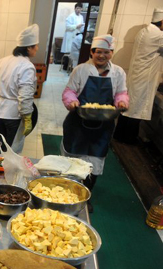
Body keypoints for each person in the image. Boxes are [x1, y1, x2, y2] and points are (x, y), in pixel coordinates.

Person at [61, 35, 129, 212]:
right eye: (99, 52)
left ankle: (85, 196)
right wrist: (72, 102)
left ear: (111, 53)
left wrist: (122, 102)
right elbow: (70, 91)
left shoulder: (118, 72)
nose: (102, 56)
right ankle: (67, 193)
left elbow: (121, 93)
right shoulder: (81, 70)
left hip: (103, 127)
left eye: (106, 52)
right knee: (73, 160)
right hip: (78, 124)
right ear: (92, 52)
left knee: (95, 162)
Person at [114, 8, 163, 144]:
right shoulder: (158, 35)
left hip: (136, 75)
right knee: (136, 110)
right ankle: (129, 139)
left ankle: (119, 135)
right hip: (144, 78)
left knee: (129, 108)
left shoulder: (144, 31)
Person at [0, 24, 39, 154]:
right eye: (36, 46)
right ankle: (6, 173)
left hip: (0, 110)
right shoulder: (27, 66)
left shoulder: (2, 61)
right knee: (11, 151)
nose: (37, 49)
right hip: (14, 113)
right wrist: (27, 116)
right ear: (29, 48)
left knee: (2, 146)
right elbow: (25, 95)